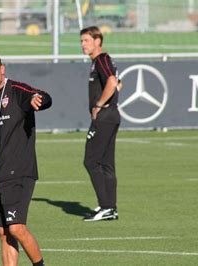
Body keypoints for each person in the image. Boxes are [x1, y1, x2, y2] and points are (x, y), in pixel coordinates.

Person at [0, 51, 51, 266]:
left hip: (18, 170)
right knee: (3, 231)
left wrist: (39, 99)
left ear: (2, 69)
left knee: (16, 228)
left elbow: (43, 97)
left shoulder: (17, 91)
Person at [80, 26, 123, 222]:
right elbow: (118, 83)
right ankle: (109, 208)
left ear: (98, 41)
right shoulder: (99, 62)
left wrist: (99, 104)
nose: (83, 45)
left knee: (91, 161)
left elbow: (113, 81)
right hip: (111, 115)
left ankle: (106, 206)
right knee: (106, 163)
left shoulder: (102, 59)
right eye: (81, 41)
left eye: (86, 40)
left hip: (105, 116)